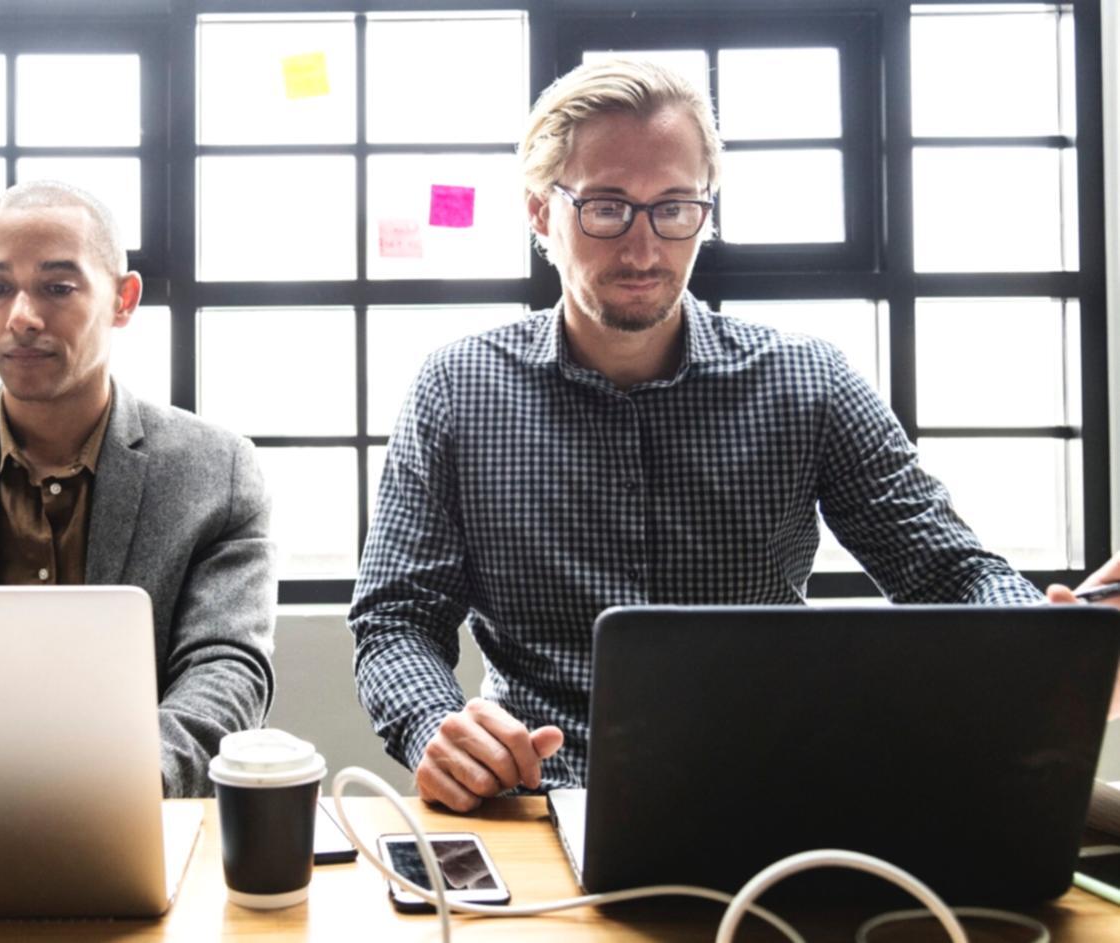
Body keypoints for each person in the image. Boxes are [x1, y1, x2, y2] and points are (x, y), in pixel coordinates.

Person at [349, 58, 1120, 813]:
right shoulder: (457, 389)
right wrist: (434, 728)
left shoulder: (805, 380)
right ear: (540, 210)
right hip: (537, 800)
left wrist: (1054, 648)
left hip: (770, 799)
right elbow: (396, 618)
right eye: (607, 208)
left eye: (676, 207)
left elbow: (948, 573)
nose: (646, 249)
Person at [0, 180, 278, 798]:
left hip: (139, 816)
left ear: (123, 300)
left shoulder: (216, 471)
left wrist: (121, 787)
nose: (21, 317)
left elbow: (226, 670)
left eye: (57, 287)